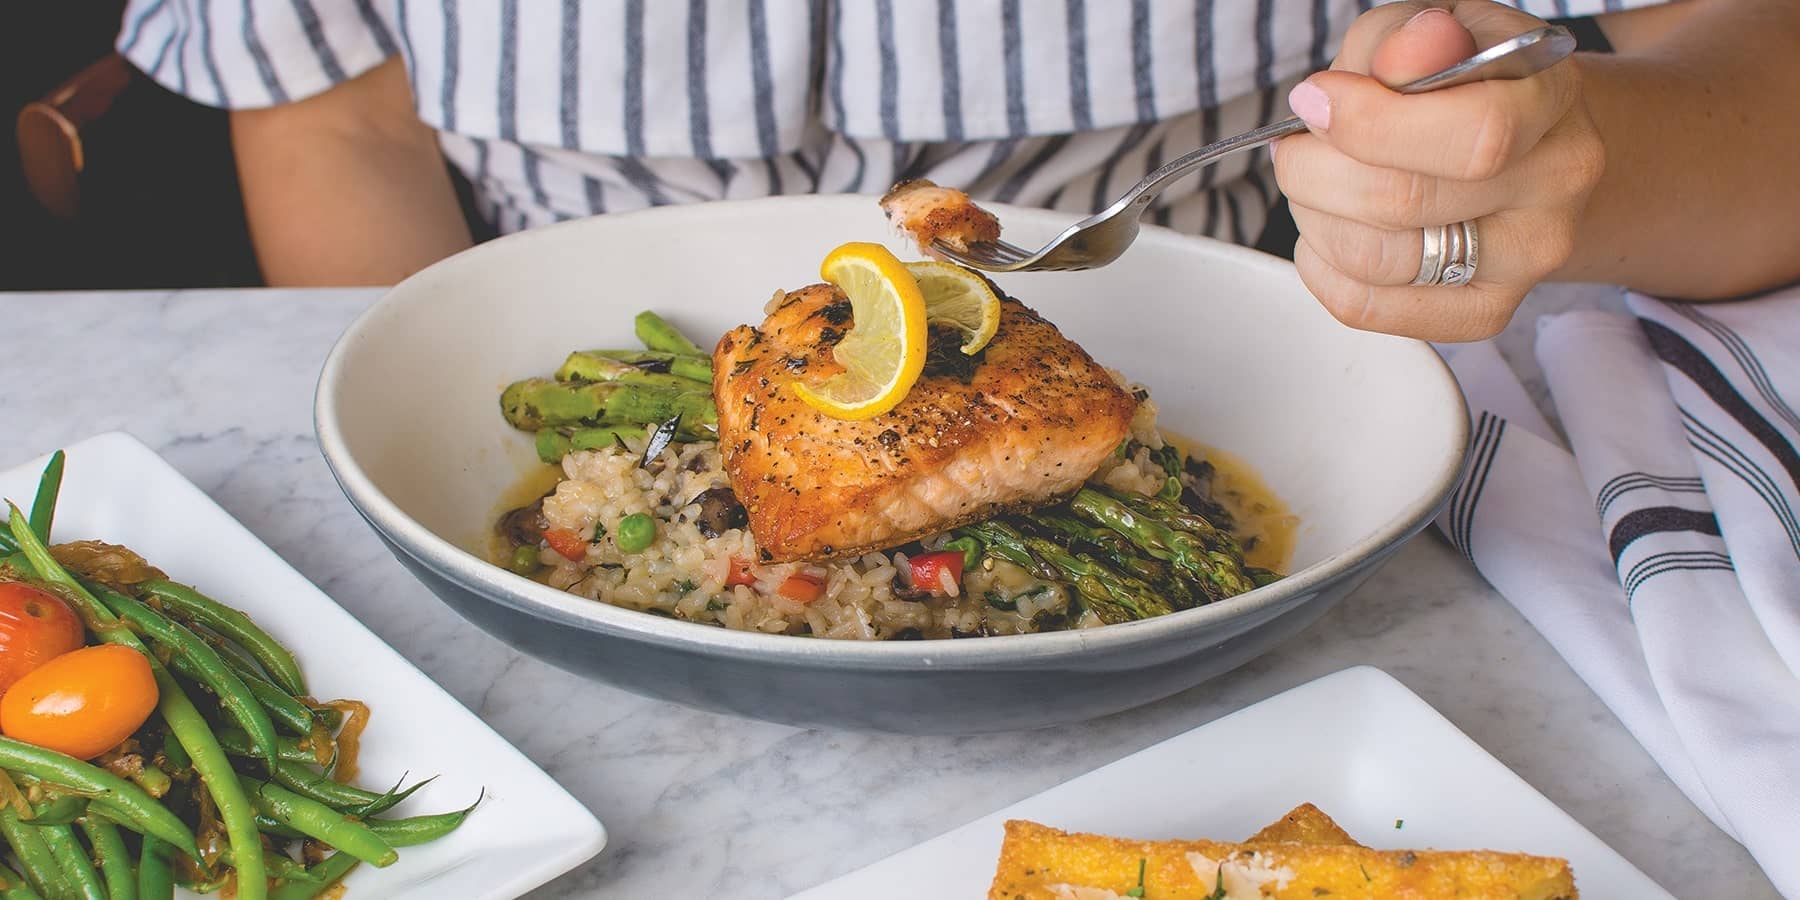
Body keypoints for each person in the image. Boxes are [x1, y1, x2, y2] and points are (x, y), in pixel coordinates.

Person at [111, 1, 1800, 342]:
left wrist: (1565, 162)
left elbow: (1759, 78)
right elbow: (339, 115)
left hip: (1232, 360)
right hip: (555, 385)